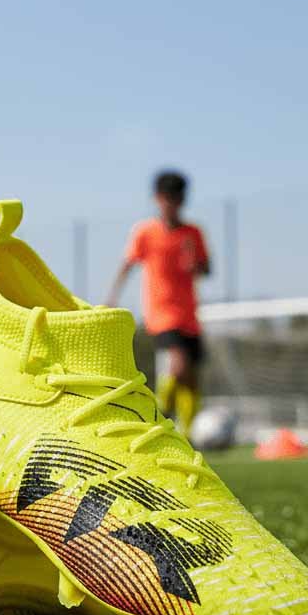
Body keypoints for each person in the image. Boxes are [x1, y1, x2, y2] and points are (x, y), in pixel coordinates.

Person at [107, 169, 210, 438]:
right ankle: (158, 413)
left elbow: (206, 269)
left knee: (191, 379)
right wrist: (112, 299)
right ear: (157, 199)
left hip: (189, 315)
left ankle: (186, 436)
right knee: (178, 365)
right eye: (167, 198)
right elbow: (127, 265)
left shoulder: (193, 233)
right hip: (161, 314)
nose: (172, 204)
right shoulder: (146, 232)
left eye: (177, 198)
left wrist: (194, 263)